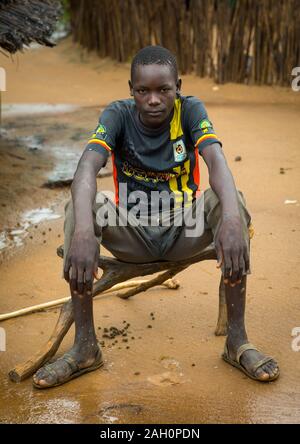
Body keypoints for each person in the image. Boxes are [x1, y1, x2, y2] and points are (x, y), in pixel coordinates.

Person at [33, 46, 279, 388]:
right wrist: (84, 232)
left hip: (184, 231)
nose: (153, 99)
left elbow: (216, 160)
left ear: (177, 86)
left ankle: (237, 342)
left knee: (231, 201)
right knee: (79, 208)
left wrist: (233, 220)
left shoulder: (190, 110)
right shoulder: (117, 115)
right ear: (131, 89)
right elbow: (87, 167)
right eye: (142, 90)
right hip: (131, 235)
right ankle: (85, 348)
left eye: (163, 89)